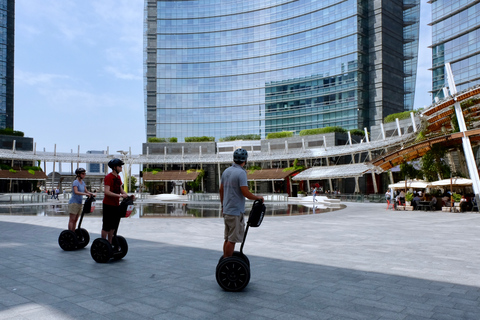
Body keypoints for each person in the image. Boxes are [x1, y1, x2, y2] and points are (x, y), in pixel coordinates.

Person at [219, 148, 264, 258]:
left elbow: (221, 189)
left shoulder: (226, 171)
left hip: (227, 210)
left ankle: (225, 260)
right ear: (245, 160)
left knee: (227, 238)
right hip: (235, 211)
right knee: (232, 240)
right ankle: (227, 263)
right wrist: (257, 197)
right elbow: (245, 192)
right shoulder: (241, 173)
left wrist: (222, 205)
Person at [102, 158, 135, 244]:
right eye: (120, 166)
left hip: (116, 205)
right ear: (114, 167)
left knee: (113, 226)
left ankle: (109, 243)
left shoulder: (118, 177)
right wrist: (119, 196)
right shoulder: (108, 177)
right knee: (106, 226)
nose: (121, 168)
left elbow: (121, 189)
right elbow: (107, 191)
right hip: (108, 205)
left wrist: (128, 196)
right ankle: (103, 243)